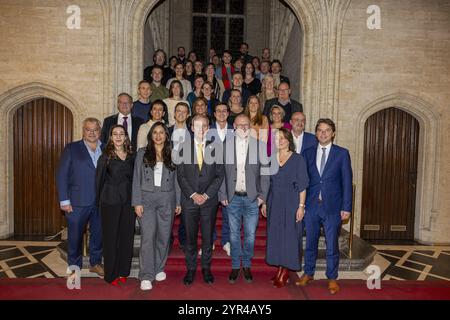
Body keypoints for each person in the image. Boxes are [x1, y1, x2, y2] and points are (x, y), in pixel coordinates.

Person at [296, 118, 353, 295]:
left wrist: (346, 207)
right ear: (316, 133)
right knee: (311, 242)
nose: (323, 133)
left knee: (331, 245)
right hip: (312, 206)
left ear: (333, 133)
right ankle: (309, 272)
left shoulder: (342, 154)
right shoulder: (307, 153)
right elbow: (303, 180)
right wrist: (301, 204)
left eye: (327, 130)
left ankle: (332, 277)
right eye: (320, 130)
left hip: (333, 207)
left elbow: (346, 182)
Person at [219, 114, 270, 284]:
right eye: (240, 125)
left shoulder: (260, 146)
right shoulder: (225, 146)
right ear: (234, 126)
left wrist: (262, 196)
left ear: (250, 127)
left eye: (246, 125)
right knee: (233, 235)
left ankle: (246, 264)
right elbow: (220, 174)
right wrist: (223, 194)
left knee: (250, 234)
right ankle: (235, 266)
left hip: (251, 199)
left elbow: (265, 173)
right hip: (232, 198)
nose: (243, 128)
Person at [176, 114, 225, 285]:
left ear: (208, 128)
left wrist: (205, 195)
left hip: (208, 202)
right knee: (190, 238)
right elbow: (180, 176)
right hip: (189, 201)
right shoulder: (182, 148)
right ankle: (190, 269)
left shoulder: (216, 148)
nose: (201, 129)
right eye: (198, 126)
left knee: (207, 238)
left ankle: (206, 268)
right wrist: (193, 195)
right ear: (191, 128)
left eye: (204, 126)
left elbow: (219, 176)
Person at [132, 122, 181, 291]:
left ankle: (159, 267)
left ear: (166, 135)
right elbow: (136, 178)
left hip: (167, 198)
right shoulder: (142, 153)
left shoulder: (173, 154)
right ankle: (146, 275)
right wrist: (136, 201)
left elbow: (177, 180)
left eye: (162, 132)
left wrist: (179, 202)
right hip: (147, 199)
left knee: (164, 236)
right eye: (155, 133)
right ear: (151, 135)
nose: (158, 136)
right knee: (148, 237)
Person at [56, 118, 104, 278]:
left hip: (101, 202)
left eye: (95, 129)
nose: (92, 133)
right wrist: (64, 200)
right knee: (75, 236)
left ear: (100, 130)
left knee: (98, 235)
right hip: (76, 202)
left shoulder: (106, 148)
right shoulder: (71, 148)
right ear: (83, 130)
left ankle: (95, 263)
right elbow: (62, 175)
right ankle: (74, 266)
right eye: (88, 129)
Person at [263, 127, 309, 288]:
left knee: (290, 236)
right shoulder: (271, 159)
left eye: (283, 137)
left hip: (291, 202)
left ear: (289, 140)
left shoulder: (298, 159)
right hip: (274, 202)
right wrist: (264, 203)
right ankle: (280, 269)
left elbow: (303, 185)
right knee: (276, 235)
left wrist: (301, 206)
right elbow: (267, 183)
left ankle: (284, 272)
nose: (280, 140)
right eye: (277, 138)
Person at [96, 124, 135, 286]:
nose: (118, 137)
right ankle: (111, 274)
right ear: (110, 137)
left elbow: (135, 180)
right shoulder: (105, 156)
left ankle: (123, 271)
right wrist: (97, 203)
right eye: (115, 134)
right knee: (111, 239)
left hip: (128, 203)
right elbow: (98, 181)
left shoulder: (132, 156)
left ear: (126, 137)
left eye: (121, 134)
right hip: (109, 202)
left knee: (126, 238)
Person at [209, 103, 234, 256]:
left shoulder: (235, 131)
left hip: (230, 178)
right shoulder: (207, 131)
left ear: (228, 113)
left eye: (224, 111)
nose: (221, 113)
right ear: (214, 114)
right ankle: (209, 241)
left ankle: (227, 241)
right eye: (218, 110)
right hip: (211, 179)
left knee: (229, 213)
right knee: (209, 213)